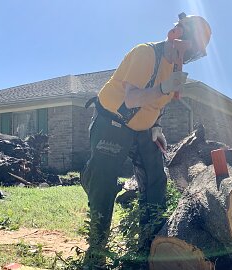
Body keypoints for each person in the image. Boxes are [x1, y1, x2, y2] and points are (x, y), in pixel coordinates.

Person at [81, 13, 211, 268]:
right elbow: (131, 99)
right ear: (176, 35)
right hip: (113, 122)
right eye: (188, 50)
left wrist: (157, 127)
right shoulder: (145, 54)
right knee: (104, 183)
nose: (186, 58)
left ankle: (148, 245)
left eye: (192, 55)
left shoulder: (173, 67)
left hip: (143, 129)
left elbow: (158, 105)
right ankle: (96, 251)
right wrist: (163, 88)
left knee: (155, 180)